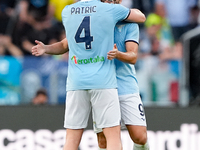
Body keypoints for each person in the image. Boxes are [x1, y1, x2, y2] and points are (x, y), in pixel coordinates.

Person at [32, 1, 145, 149]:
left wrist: (45, 48)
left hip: (78, 81)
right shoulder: (107, 10)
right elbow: (141, 17)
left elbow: (67, 44)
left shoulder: (68, 11)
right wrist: (47, 48)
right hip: (102, 81)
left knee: (72, 139)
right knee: (110, 137)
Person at [92, 0, 149, 150]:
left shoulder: (129, 24)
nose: (111, 2)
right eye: (107, 0)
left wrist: (118, 54)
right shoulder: (93, 22)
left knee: (140, 137)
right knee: (104, 141)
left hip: (126, 84)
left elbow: (133, 57)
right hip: (101, 85)